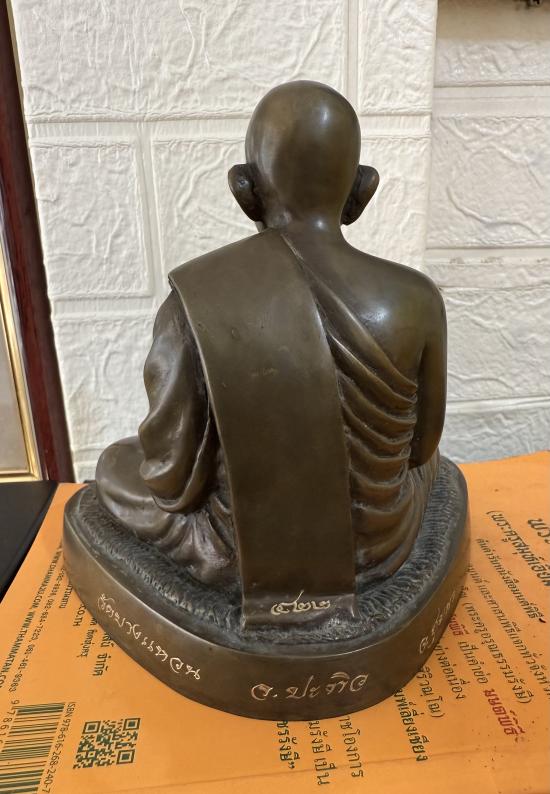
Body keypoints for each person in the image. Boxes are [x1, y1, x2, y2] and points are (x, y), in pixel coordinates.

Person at [96, 80, 445, 594]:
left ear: (244, 190)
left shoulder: (194, 301)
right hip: (380, 542)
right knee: (437, 469)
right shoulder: (417, 297)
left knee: (114, 465)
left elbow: (173, 482)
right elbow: (420, 450)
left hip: (241, 550)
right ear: (362, 190)